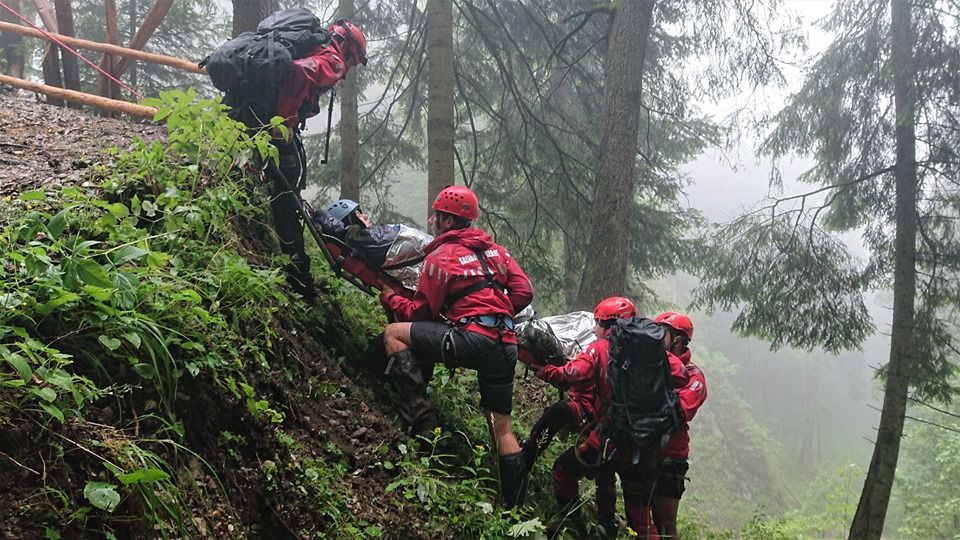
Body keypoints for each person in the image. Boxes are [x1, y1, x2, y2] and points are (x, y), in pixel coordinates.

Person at [378, 184, 534, 508]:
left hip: (471, 340)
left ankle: (424, 422)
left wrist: (391, 297)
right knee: (501, 427)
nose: (433, 220)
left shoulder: (442, 256)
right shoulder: (498, 252)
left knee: (394, 332)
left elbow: (421, 313)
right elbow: (524, 291)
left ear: (447, 222)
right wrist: (499, 311)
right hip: (506, 344)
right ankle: (514, 507)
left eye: (438, 216)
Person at [551, 303, 688, 539]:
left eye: (599, 323)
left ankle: (578, 529)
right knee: (639, 516)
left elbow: (570, 375)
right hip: (644, 448)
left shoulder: (601, 349)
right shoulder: (657, 358)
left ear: (610, 325)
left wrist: (545, 370)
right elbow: (682, 376)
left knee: (564, 470)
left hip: (608, 440)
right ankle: (607, 527)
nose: (594, 329)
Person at [262, 19, 367, 303]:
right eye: (354, 61)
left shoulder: (313, 48)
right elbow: (300, 73)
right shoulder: (332, 58)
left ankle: (293, 264)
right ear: (347, 48)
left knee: (287, 183)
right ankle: (295, 269)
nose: (348, 71)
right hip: (274, 125)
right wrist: (283, 122)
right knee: (286, 194)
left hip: (261, 115)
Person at [650, 311, 707, 540]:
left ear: (678, 339)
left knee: (665, 522)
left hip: (670, 456)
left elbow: (681, 411)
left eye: (661, 333)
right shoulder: (648, 366)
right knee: (641, 517)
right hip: (644, 449)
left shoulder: (694, 376)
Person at [307, 199, 432, 294]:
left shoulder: (376, 241)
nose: (365, 216)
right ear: (351, 224)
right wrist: (320, 216)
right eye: (358, 215)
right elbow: (343, 232)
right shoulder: (374, 241)